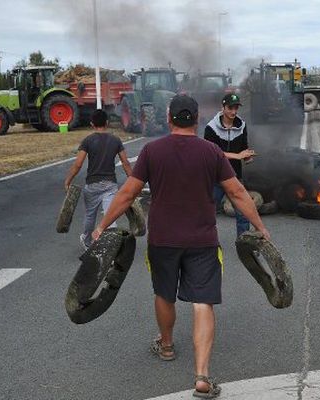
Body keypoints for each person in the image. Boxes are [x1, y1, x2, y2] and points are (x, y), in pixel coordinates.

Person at [91, 94, 270, 398]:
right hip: (202, 241)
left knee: (164, 293)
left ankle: (167, 345)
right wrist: (260, 226)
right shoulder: (212, 152)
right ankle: (202, 376)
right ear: (198, 119)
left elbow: (126, 194)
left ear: (169, 118)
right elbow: (238, 193)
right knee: (203, 302)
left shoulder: (151, 151)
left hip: (163, 240)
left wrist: (101, 225)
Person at [64, 109, 132, 249]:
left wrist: (68, 180)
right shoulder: (115, 140)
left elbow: (78, 164)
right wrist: (132, 180)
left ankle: (87, 240)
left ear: (91, 124)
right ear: (107, 123)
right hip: (110, 185)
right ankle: (110, 245)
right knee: (110, 216)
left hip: (92, 185)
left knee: (90, 215)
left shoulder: (88, 141)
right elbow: (125, 163)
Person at [204, 93, 255, 237]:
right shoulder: (211, 128)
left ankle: (244, 241)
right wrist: (237, 156)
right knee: (207, 212)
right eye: (230, 108)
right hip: (216, 178)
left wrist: (247, 157)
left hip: (234, 177)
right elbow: (212, 154)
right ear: (223, 108)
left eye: (236, 108)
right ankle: (203, 241)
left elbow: (243, 147)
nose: (233, 112)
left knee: (243, 212)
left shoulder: (242, 125)